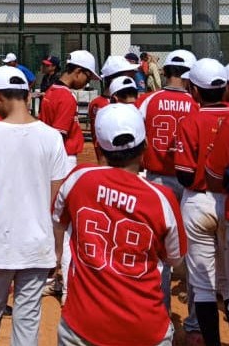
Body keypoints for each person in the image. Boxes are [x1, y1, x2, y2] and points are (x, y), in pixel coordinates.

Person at [53, 104, 185, 346]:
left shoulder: (79, 178)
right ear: (145, 146)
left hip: (83, 323)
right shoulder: (161, 198)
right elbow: (175, 258)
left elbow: (58, 221)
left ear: (98, 147)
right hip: (144, 328)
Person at [0, 66, 68, 346]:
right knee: (28, 320)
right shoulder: (51, 136)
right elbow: (56, 201)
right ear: (27, 95)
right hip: (38, 244)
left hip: (0, 244)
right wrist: (57, 249)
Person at [137, 49, 199, 338]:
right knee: (194, 254)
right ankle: (195, 323)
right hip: (190, 183)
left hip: (157, 180)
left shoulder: (149, 100)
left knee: (160, 254)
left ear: (168, 71)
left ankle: (162, 319)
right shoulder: (196, 103)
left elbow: (137, 136)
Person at [174, 58, 229, 346]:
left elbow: (184, 175)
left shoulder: (191, 120)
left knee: (204, 286)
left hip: (198, 202)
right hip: (228, 201)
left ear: (194, 91)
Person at [38, 50, 100, 301]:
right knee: (66, 225)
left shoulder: (51, 91)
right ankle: (67, 289)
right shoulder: (65, 97)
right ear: (77, 71)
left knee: (55, 223)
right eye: (87, 76)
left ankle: (54, 280)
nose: (87, 82)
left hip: (52, 162)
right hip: (62, 160)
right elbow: (58, 137)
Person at [88, 55, 137, 164]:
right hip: (116, 162)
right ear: (116, 78)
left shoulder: (96, 103)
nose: (132, 76)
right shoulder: (104, 105)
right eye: (128, 74)